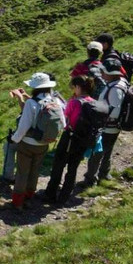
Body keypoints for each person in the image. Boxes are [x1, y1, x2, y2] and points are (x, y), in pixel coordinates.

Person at [8, 73, 64, 209]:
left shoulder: (31, 103)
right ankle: (29, 197)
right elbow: (63, 122)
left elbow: (23, 126)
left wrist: (14, 139)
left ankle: (17, 202)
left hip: (27, 143)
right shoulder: (55, 102)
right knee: (35, 170)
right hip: (44, 143)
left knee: (22, 172)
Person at [42, 75, 99, 204]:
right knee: (73, 167)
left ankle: (50, 193)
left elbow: (65, 120)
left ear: (78, 87)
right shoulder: (93, 102)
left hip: (69, 137)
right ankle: (64, 196)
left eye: (74, 87)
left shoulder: (75, 102)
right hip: (83, 139)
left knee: (58, 165)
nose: (73, 90)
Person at [83, 61, 128, 186]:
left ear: (111, 74)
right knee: (107, 151)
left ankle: (90, 179)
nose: (101, 74)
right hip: (112, 127)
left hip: (108, 127)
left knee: (97, 153)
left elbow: (114, 112)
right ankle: (104, 174)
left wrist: (98, 111)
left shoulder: (115, 89)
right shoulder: (120, 83)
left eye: (104, 72)